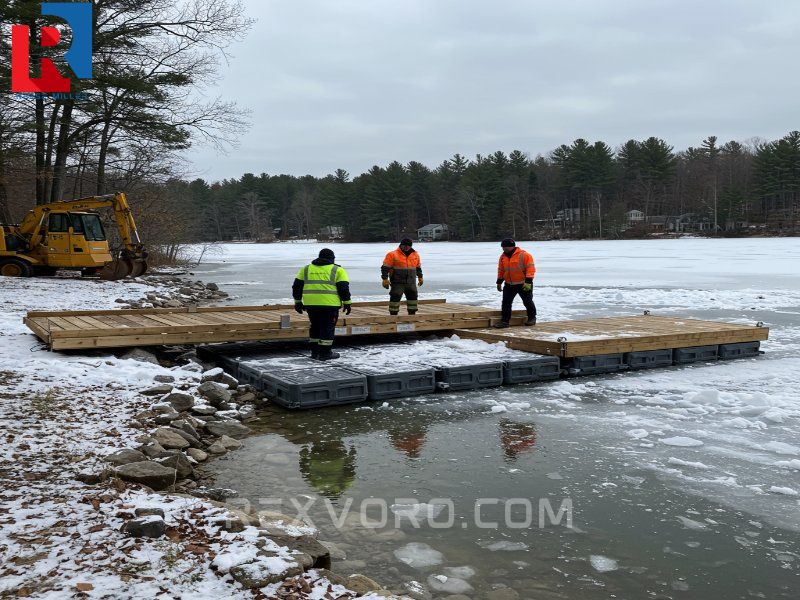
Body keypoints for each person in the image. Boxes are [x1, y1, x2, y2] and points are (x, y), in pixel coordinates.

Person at [292, 248, 352, 360]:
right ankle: (325, 353)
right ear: (332, 259)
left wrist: (298, 302)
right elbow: (343, 288)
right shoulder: (337, 270)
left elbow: (297, 287)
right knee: (327, 328)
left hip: (311, 305)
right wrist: (347, 303)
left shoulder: (306, 269)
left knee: (315, 327)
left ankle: (315, 352)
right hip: (330, 305)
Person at [494, 238, 536, 328]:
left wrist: (528, 282)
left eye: (506, 247)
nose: (504, 249)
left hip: (523, 283)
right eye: (503, 247)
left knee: (527, 301)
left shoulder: (524, 255)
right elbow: (501, 270)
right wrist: (499, 282)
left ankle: (532, 318)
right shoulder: (502, 257)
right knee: (506, 302)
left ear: (512, 246)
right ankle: (505, 321)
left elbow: (530, 268)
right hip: (509, 284)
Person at [381, 237, 423, 315]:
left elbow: (418, 267)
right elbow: (385, 268)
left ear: (411, 246)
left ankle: (412, 314)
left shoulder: (415, 255)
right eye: (404, 245)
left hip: (411, 282)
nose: (406, 247)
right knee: (395, 297)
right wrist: (385, 279)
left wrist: (420, 277)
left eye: (408, 246)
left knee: (413, 298)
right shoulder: (392, 254)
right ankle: (393, 315)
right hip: (397, 282)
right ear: (401, 245)